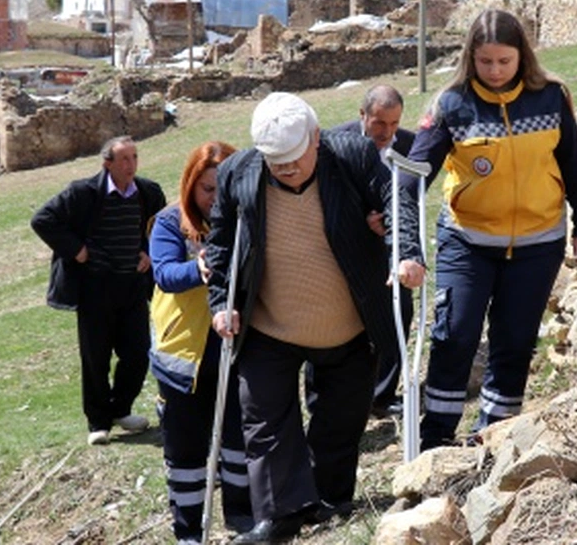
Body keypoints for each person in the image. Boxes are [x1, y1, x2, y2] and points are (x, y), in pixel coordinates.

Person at [205, 92, 426, 544]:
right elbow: (222, 244)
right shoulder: (238, 172)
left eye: (294, 158)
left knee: (340, 418)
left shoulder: (352, 155)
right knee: (264, 419)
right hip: (269, 323)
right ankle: (279, 517)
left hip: (348, 323)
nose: (286, 169)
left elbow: (395, 199)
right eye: (276, 162)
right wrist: (220, 303)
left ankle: (330, 498)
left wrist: (406, 251)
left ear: (316, 138)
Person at [402, 9, 577, 451]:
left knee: (515, 341)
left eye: (504, 61)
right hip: (467, 241)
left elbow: (574, 162)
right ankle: (435, 438)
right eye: (485, 61)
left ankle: (494, 435)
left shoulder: (551, 97)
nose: (494, 71)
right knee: (455, 335)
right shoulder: (450, 104)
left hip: (538, 242)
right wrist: (404, 238)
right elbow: (412, 177)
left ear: (522, 56)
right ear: (470, 58)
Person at [31, 136, 167, 446]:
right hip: (95, 288)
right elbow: (42, 219)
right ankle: (98, 421)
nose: (131, 165)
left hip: (132, 286)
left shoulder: (148, 192)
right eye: (124, 159)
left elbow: (161, 229)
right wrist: (76, 250)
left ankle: (120, 409)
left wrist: (148, 252)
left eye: (134, 157)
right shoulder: (83, 193)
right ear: (108, 163)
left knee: (138, 353)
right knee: (96, 357)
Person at [149, 141, 252, 544]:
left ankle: (242, 518)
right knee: (186, 450)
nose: (215, 198)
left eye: (223, 189)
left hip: (235, 348)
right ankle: (189, 530)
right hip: (183, 356)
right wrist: (199, 268)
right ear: (191, 184)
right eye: (207, 189)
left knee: (238, 440)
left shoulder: (247, 218)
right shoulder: (169, 221)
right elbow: (164, 273)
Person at [330, 84, 416, 417]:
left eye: (394, 123)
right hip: (348, 246)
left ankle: (381, 395)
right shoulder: (337, 143)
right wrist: (362, 219)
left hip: (393, 246)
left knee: (399, 313)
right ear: (362, 115)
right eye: (379, 123)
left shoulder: (410, 145)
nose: (386, 132)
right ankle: (343, 398)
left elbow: (412, 194)